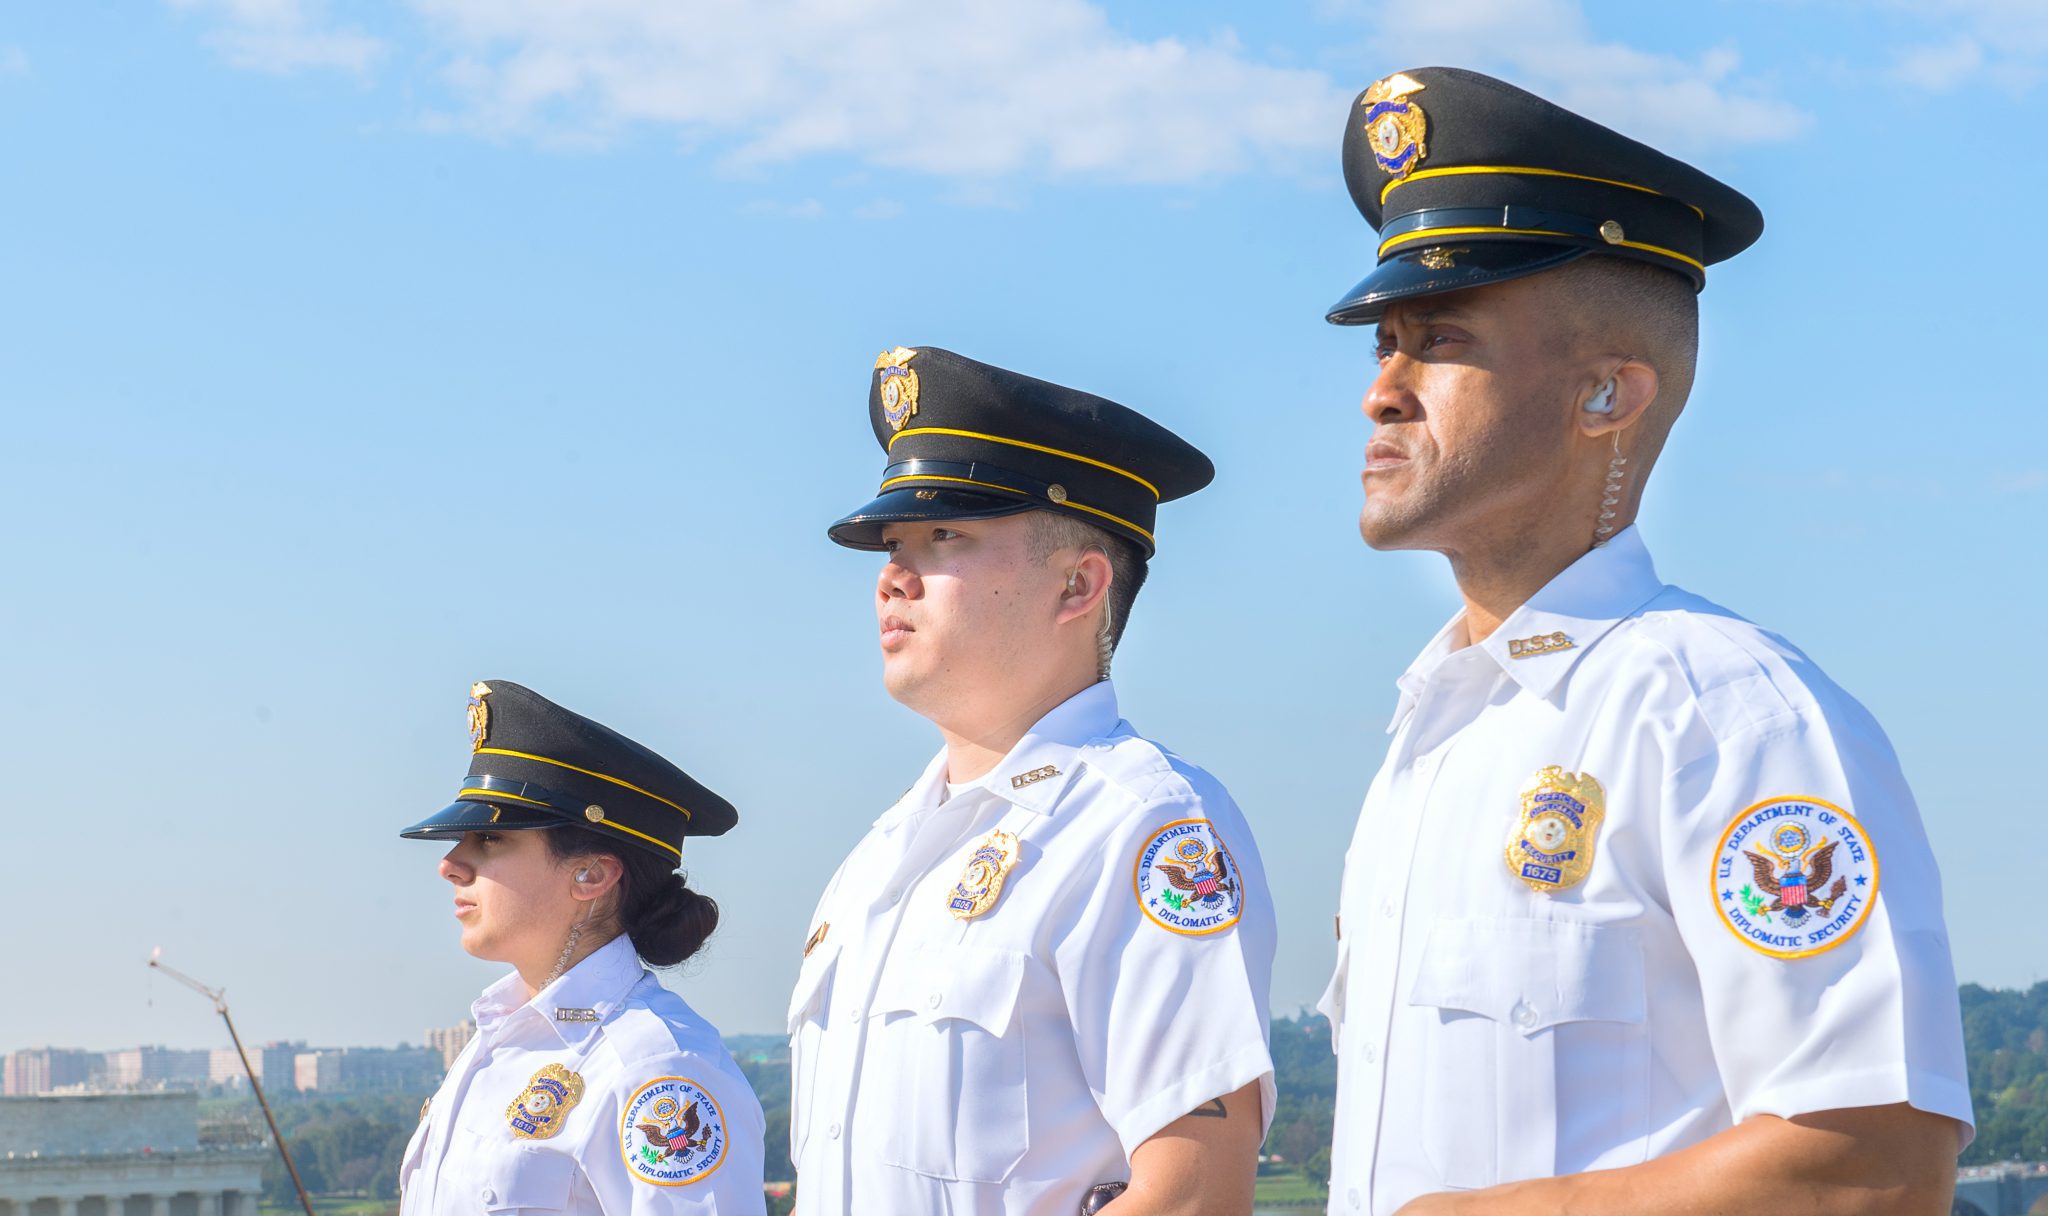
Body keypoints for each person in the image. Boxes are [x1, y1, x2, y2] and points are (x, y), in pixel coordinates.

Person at [1314, 67, 1972, 1216]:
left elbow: (1876, 1162)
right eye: (1382, 344)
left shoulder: (1730, 714)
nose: (1382, 389)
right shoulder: (1432, 732)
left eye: (1440, 339)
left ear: (1607, 396)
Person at [790, 346, 1278, 1216]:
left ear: (1078, 584)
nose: (892, 575)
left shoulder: (1146, 827)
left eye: (946, 535)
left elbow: (1195, 1195)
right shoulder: (876, 861)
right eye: (893, 541)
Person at [396, 679, 766, 1215]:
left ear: (591, 874)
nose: (450, 864)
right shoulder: (494, 1040)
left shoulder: (660, 1069)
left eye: (490, 839)